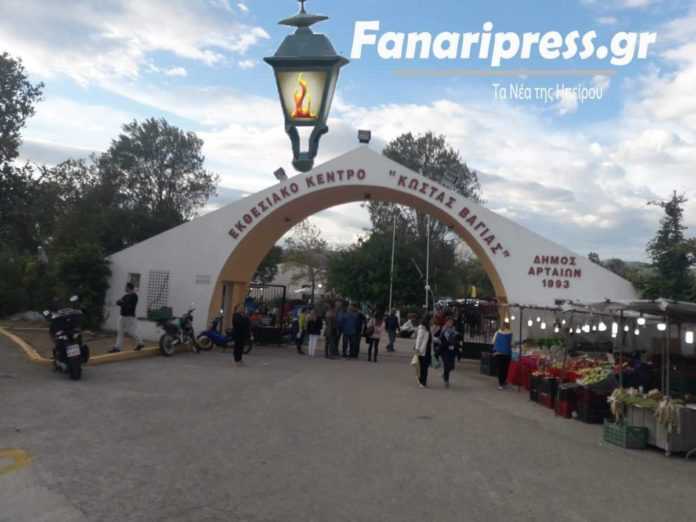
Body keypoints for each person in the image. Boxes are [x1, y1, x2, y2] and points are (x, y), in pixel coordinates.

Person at [109, 282, 144, 353]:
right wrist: (121, 303)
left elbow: (129, 306)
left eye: (126, 287)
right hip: (122, 316)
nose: (125, 288)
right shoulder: (125, 296)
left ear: (129, 288)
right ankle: (117, 348)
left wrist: (122, 303)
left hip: (129, 317)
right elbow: (119, 302)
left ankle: (140, 343)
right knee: (120, 332)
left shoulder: (134, 296)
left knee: (131, 332)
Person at [437, 317, 459, 388]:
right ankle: (446, 380)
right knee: (447, 365)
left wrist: (455, 344)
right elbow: (439, 339)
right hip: (444, 350)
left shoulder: (454, 330)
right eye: (449, 322)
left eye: (451, 322)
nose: (450, 323)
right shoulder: (443, 330)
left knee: (451, 366)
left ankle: (444, 375)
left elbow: (456, 340)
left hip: (451, 351)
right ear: (446, 322)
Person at [492, 320, 513, 390]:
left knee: (500, 369)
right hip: (507, 353)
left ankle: (501, 383)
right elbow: (511, 343)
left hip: (498, 353)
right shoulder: (510, 333)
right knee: (505, 368)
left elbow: (493, 341)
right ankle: (503, 381)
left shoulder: (497, 332)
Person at [414, 315, 433, 387]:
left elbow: (430, 338)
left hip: (427, 349)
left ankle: (423, 381)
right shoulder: (422, 328)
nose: (432, 321)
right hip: (422, 350)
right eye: (431, 320)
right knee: (423, 366)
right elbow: (419, 339)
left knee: (425, 366)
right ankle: (422, 382)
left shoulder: (428, 328)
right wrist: (417, 349)